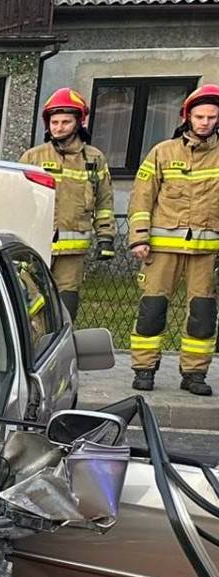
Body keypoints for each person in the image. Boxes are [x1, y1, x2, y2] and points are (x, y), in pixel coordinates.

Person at [128, 85, 219, 394]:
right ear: (187, 117)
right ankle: (144, 369)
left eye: (211, 117)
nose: (205, 122)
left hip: (205, 252)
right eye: (200, 116)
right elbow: (141, 198)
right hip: (162, 248)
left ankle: (194, 374)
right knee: (152, 309)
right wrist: (139, 238)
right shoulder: (163, 152)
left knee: (203, 316)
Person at [19, 88, 115, 321]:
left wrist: (106, 237)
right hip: (35, 246)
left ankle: (60, 350)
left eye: (65, 122)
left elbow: (103, 200)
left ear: (79, 123)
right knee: (30, 303)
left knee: (65, 307)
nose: (58, 127)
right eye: (54, 122)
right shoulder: (33, 157)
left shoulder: (94, 159)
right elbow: (17, 199)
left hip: (73, 252)